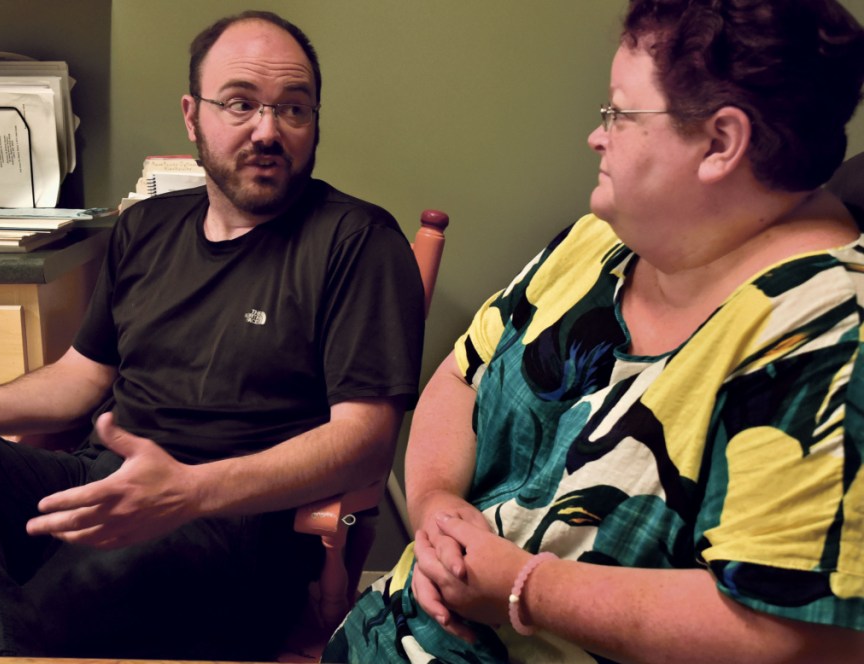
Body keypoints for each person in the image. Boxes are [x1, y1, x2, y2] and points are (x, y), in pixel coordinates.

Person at [0, 10, 424, 664]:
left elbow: (365, 444)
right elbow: (78, 381)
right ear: (192, 115)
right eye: (240, 104)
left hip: (229, 521)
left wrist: (190, 492)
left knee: (11, 603)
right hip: (93, 481)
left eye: (293, 109)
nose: (268, 130)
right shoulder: (145, 228)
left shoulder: (357, 240)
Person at [325, 0, 864, 662]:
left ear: (721, 142)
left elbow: (794, 636)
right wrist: (438, 504)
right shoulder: (598, 241)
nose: (596, 136)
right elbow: (464, 373)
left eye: (619, 112)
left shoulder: (827, 335)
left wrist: (522, 589)